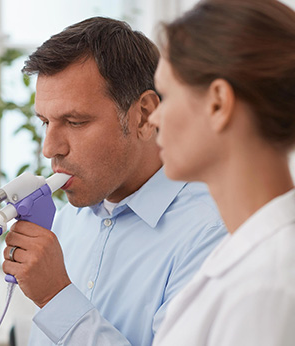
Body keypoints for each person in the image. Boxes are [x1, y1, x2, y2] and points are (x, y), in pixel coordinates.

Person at [2, 17, 226, 346]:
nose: (50, 148)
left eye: (75, 121)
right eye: (45, 122)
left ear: (145, 114)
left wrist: (56, 297)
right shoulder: (68, 222)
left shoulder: (209, 235)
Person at [149, 0, 295, 345]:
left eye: (166, 95)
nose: (155, 118)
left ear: (218, 103)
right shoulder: (248, 254)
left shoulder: (266, 286)